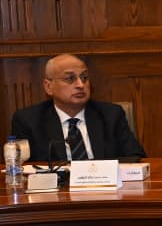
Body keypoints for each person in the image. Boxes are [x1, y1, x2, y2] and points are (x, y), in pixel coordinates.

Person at [10, 53, 145, 161]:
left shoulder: (111, 115)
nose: (81, 85)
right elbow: (20, 168)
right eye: (70, 79)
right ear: (49, 87)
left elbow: (135, 158)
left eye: (84, 77)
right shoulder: (28, 121)